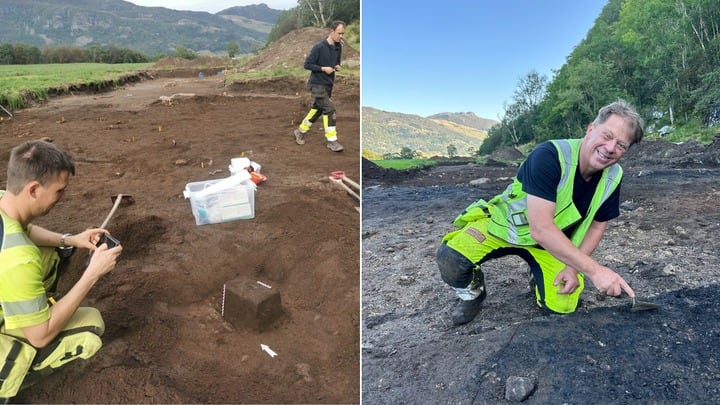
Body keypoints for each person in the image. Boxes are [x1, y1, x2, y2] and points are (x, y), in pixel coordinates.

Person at [436, 100, 645, 325]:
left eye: (621, 145)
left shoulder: (613, 176)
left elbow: (597, 225)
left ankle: (538, 277)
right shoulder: (550, 155)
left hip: (553, 246)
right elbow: (541, 228)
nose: (611, 148)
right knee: (452, 257)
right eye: (607, 135)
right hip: (504, 226)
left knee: (563, 308)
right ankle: (472, 294)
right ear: (590, 129)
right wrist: (595, 271)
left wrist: (573, 267)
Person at [0, 140, 122, 400]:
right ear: (33, 190)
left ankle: (26, 306)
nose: (63, 197)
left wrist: (71, 239)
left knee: (50, 255)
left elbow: (26, 229)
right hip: (22, 312)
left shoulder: (3, 200)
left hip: (10, 273)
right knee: (91, 324)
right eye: (59, 191)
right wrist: (92, 275)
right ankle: (10, 379)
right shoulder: (17, 258)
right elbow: (40, 336)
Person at [293, 20, 346, 152]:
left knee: (318, 109)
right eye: (339, 33)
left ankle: (300, 131)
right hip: (316, 84)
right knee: (330, 109)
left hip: (328, 85)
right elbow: (307, 64)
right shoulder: (319, 47)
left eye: (343, 34)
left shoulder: (339, 46)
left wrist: (337, 66)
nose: (341, 36)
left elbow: (336, 62)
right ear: (331, 31)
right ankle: (331, 141)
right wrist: (323, 68)